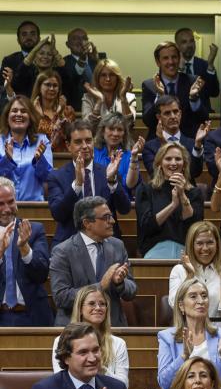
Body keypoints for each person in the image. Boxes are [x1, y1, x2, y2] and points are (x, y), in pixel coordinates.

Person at [50, 196, 136, 326]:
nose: (112, 221)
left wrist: (120, 283)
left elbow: (132, 290)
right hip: (76, 329)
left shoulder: (118, 246)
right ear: (87, 223)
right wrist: (100, 286)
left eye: (111, 216)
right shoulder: (63, 252)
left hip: (112, 327)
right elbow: (61, 297)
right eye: (106, 217)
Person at [157, 277, 221, 389]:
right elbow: (164, 382)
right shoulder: (167, 337)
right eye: (193, 296)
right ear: (181, 305)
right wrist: (183, 357)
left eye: (204, 296)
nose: (201, 301)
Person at [47, 119, 130, 248]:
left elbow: (125, 209)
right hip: (70, 245)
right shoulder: (57, 176)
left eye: (88, 141)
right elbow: (58, 214)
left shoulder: (108, 172)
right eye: (78, 142)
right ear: (68, 146)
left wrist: (112, 181)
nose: (85, 146)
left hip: (106, 244)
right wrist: (77, 185)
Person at [136, 141, 204, 259]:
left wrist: (182, 195)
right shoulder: (146, 190)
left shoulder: (194, 193)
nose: (173, 163)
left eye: (178, 159)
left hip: (186, 253)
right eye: (168, 159)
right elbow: (147, 226)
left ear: (184, 164)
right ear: (159, 164)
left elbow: (195, 225)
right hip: (153, 251)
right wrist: (173, 205)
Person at [50, 286, 129, 386]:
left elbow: (124, 385)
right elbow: (60, 382)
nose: (98, 308)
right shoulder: (61, 341)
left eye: (102, 304)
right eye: (92, 304)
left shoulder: (118, 343)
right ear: (80, 309)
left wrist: (101, 369)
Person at [0, 177, 52, 326]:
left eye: (10, 202)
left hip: (31, 316)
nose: (7, 209)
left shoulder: (34, 230)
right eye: (1, 204)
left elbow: (41, 274)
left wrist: (24, 248)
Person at [168, 221, 221, 322]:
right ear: (191, 245)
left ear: (217, 245)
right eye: (199, 243)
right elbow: (174, 304)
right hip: (188, 327)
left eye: (210, 243)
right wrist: (190, 276)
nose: (205, 248)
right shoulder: (179, 270)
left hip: (216, 328)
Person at [141, 40, 209, 139]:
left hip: (189, 141)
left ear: (179, 58)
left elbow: (204, 118)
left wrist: (193, 98)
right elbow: (148, 121)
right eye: (165, 58)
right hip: (159, 142)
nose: (171, 62)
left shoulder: (193, 82)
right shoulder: (149, 85)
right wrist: (160, 96)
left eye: (174, 57)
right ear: (158, 62)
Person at [140, 95, 207, 181]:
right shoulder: (149, 146)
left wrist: (197, 145)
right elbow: (155, 173)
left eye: (175, 112)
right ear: (159, 117)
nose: (173, 116)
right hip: (160, 192)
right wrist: (163, 144)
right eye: (167, 113)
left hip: (187, 191)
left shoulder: (192, 144)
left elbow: (195, 173)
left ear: (180, 114)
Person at [0, 95, 52, 202]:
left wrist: (39, 161)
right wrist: (7, 160)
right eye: (14, 110)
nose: (19, 114)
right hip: (3, 209)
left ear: (30, 117)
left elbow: (49, 179)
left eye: (24, 111)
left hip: (33, 209)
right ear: (7, 116)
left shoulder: (42, 141)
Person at [93, 112, 142, 199]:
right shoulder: (93, 152)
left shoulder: (129, 156)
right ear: (103, 131)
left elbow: (130, 185)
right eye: (111, 129)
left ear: (124, 134)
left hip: (121, 204)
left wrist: (134, 157)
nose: (115, 134)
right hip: (97, 202)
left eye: (119, 130)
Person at [81, 58, 135, 132]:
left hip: (121, 142)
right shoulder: (88, 98)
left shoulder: (129, 97)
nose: (108, 79)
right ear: (97, 78)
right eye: (103, 75)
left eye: (112, 75)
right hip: (97, 142)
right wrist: (99, 101)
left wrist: (123, 97)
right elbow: (87, 128)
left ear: (117, 78)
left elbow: (129, 126)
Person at [30, 69, 74, 151]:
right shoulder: (30, 111)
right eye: (48, 85)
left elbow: (62, 139)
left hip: (61, 158)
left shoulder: (67, 111)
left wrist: (60, 114)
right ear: (39, 87)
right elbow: (34, 139)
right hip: (37, 156)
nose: (51, 88)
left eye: (55, 85)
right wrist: (40, 116)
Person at [175, 27, 220, 102]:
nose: (189, 45)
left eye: (191, 41)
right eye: (184, 42)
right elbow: (171, 94)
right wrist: (180, 70)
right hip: (179, 112)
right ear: (177, 46)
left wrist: (210, 65)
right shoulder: (171, 66)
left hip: (201, 112)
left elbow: (214, 93)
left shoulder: (204, 65)